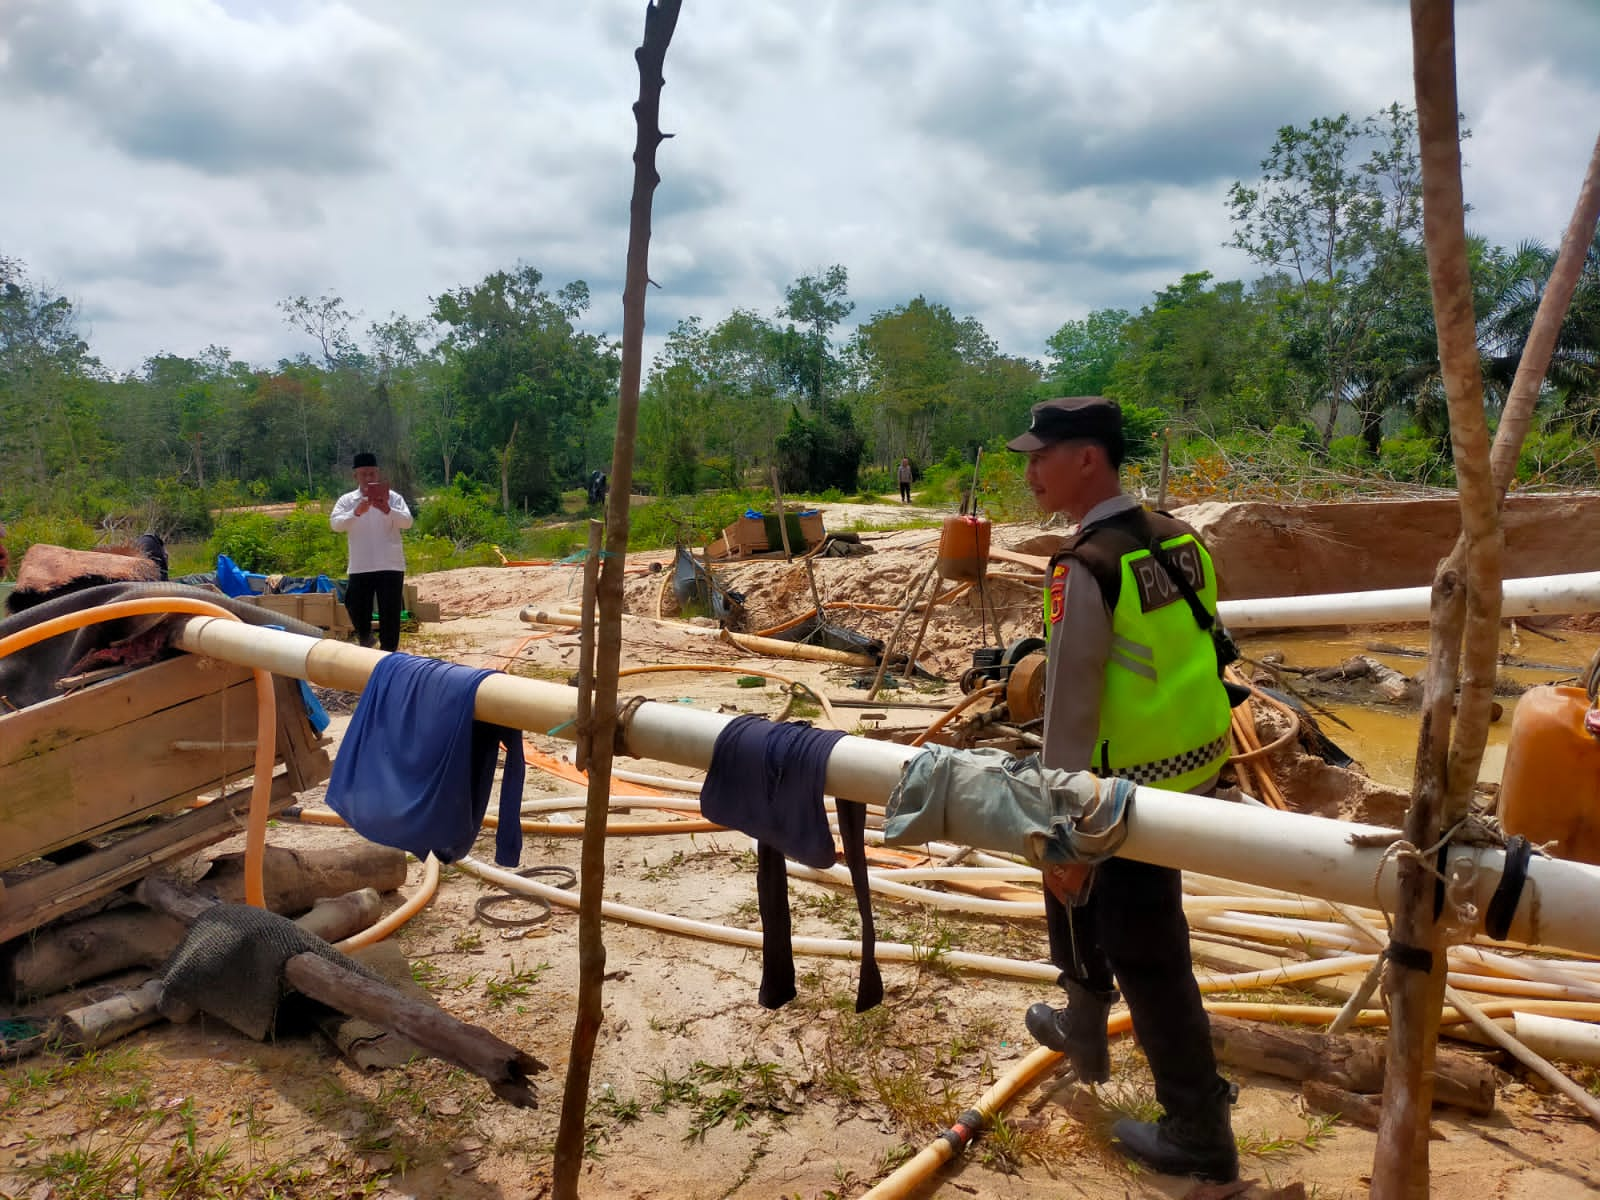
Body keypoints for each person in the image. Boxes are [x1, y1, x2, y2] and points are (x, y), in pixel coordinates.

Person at [1007, 396, 1238, 1183]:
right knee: (1089, 899)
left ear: (1088, 459)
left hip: (1129, 788)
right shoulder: (1180, 540)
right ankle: (1082, 1021)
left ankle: (1199, 1130)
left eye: (1043, 454)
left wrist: (1061, 833)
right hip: (1199, 765)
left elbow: (1069, 713)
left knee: (1147, 948)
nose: (1030, 469)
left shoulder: (1086, 566)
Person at [330, 451, 413, 653]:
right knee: (355, 604)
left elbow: (408, 522)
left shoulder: (393, 498)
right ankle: (366, 637)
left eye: (372, 474)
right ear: (355, 476)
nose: (369, 478)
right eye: (364, 474)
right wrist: (357, 512)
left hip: (390, 564)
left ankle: (389, 653)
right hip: (361, 564)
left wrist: (387, 509)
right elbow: (336, 524)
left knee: (390, 612)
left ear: (378, 474)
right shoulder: (347, 500)